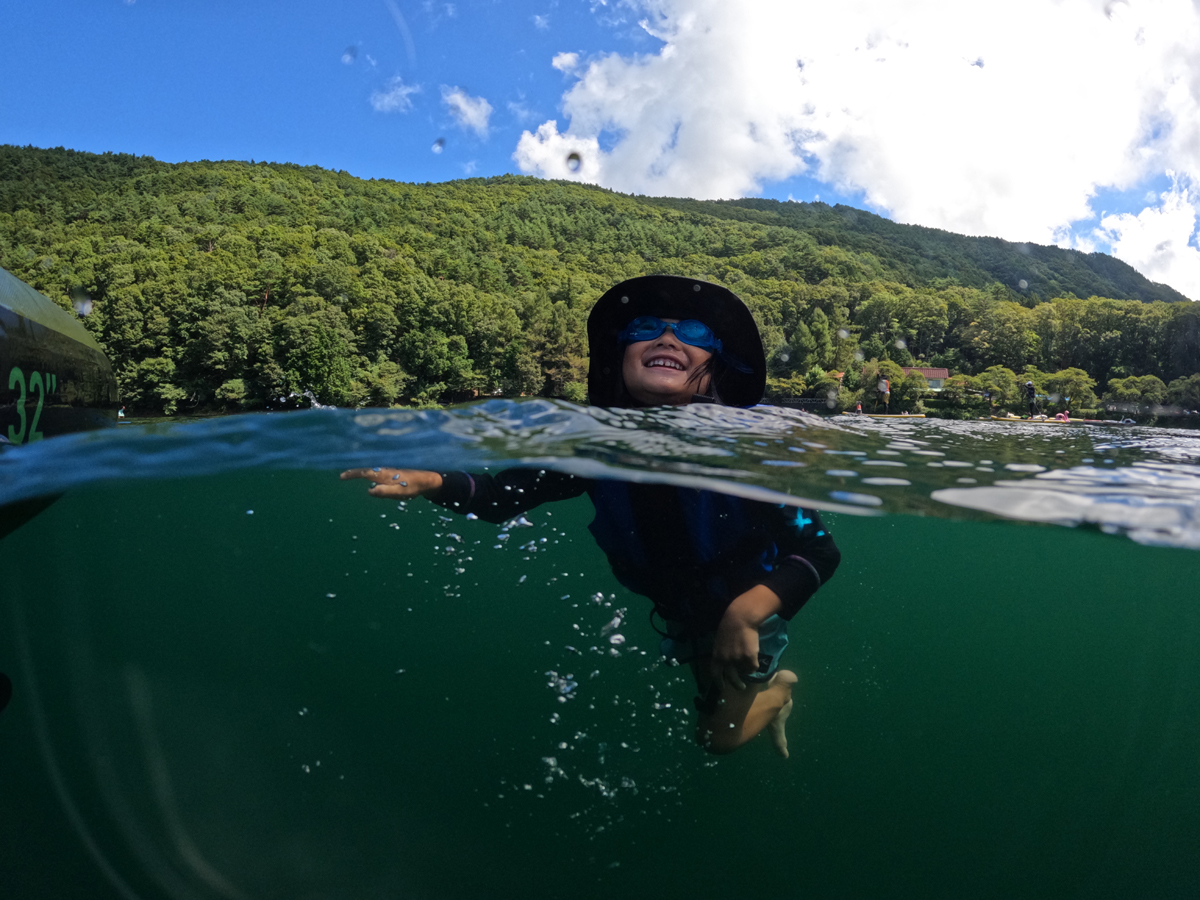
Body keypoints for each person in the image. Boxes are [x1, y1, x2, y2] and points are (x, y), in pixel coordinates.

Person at [342, 276, 841, 759]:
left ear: (715, 368)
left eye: (693, 332)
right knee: (711, 695)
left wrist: (745, 613)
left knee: (716, 739)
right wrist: (432, 481)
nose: (666, 336)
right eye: (645, 327)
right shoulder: (592, 447)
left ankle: (780, 691)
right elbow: (498, 496)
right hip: (682, 611)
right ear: (619, 356)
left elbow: (818, 550)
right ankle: (745, 680)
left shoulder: (747, 450)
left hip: (752, 608)